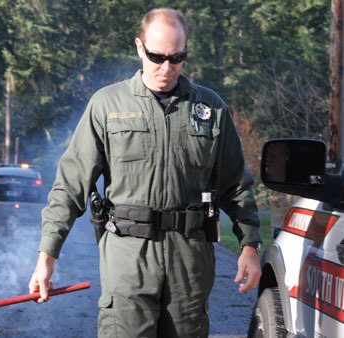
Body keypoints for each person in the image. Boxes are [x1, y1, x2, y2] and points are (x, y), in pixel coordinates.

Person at [29, 7, 262, 338]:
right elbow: (69, 187)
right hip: (128, 257)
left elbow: (236, 186)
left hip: (190, 260)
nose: (166, 68)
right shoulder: (107, 105)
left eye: (176, 57)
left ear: (186, 53)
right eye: (156, 56)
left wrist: (250, 246)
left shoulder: (210, 109)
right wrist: (47, 255)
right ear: (139, 47)